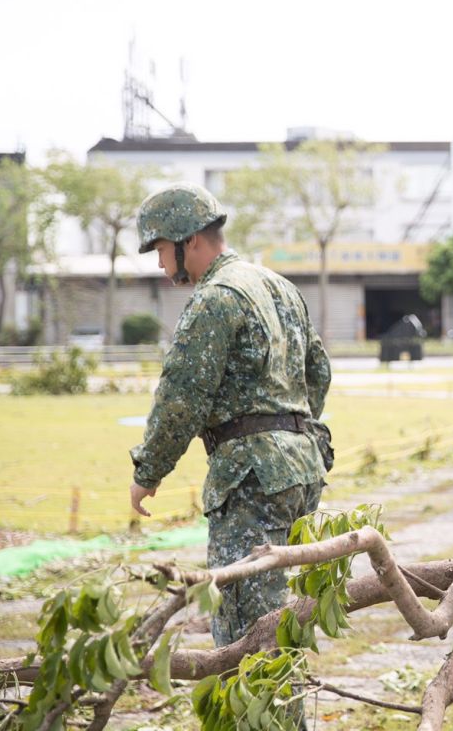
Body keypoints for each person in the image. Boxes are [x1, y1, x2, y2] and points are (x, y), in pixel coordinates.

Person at [128, 182, 331, 648]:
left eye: (161, 249)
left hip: (251, 479)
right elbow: (318, 372)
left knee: (248, 632)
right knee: (286, 619)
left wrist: (148, 471)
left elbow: (181, 397)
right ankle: (288, 718)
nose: (160, 263)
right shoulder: (278, 285)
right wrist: (288, 433)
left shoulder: (216, 297)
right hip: (302, 469)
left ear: (190, 241)